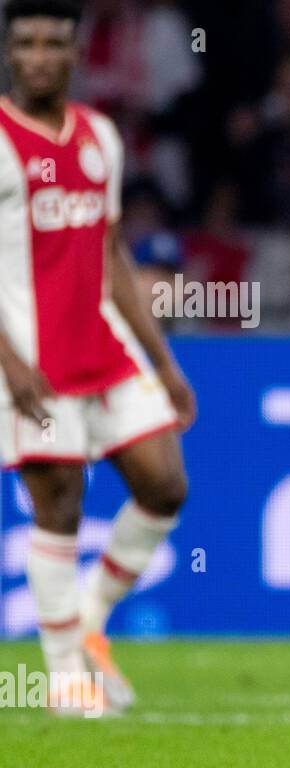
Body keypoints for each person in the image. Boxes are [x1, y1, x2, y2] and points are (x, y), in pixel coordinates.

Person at [0, 0, 195, 716]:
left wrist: (164, 363)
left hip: (105, 350)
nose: (41, 55)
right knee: (59, 504)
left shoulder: (100, 138)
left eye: (55, 42)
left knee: (165, 484)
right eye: (27, 43)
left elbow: (112, 252)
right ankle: (62, 679)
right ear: (11, 52)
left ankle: (88, 619)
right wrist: (11, 364)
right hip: (28, 361)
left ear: (76, 52)